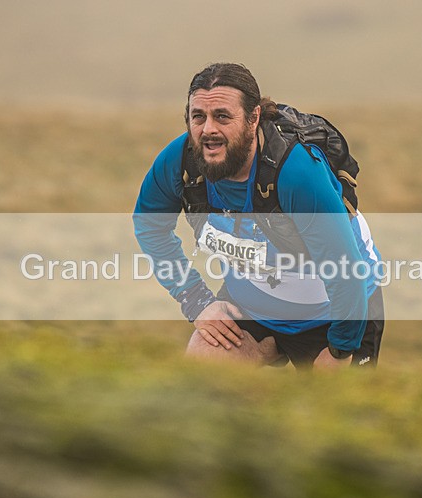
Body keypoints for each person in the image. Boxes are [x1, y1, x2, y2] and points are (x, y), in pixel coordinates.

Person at [133, 63, 384, 370]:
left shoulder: (296, 173)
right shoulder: (180, 160)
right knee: (201, 376)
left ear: (253, 119)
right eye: (198, 116)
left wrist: (341, 349)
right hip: (251, 306)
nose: (208, 129)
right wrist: (195, 300)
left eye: (222, 116)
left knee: (336, 413)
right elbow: (149, 226)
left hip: (339, 312)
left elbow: (346, 270)